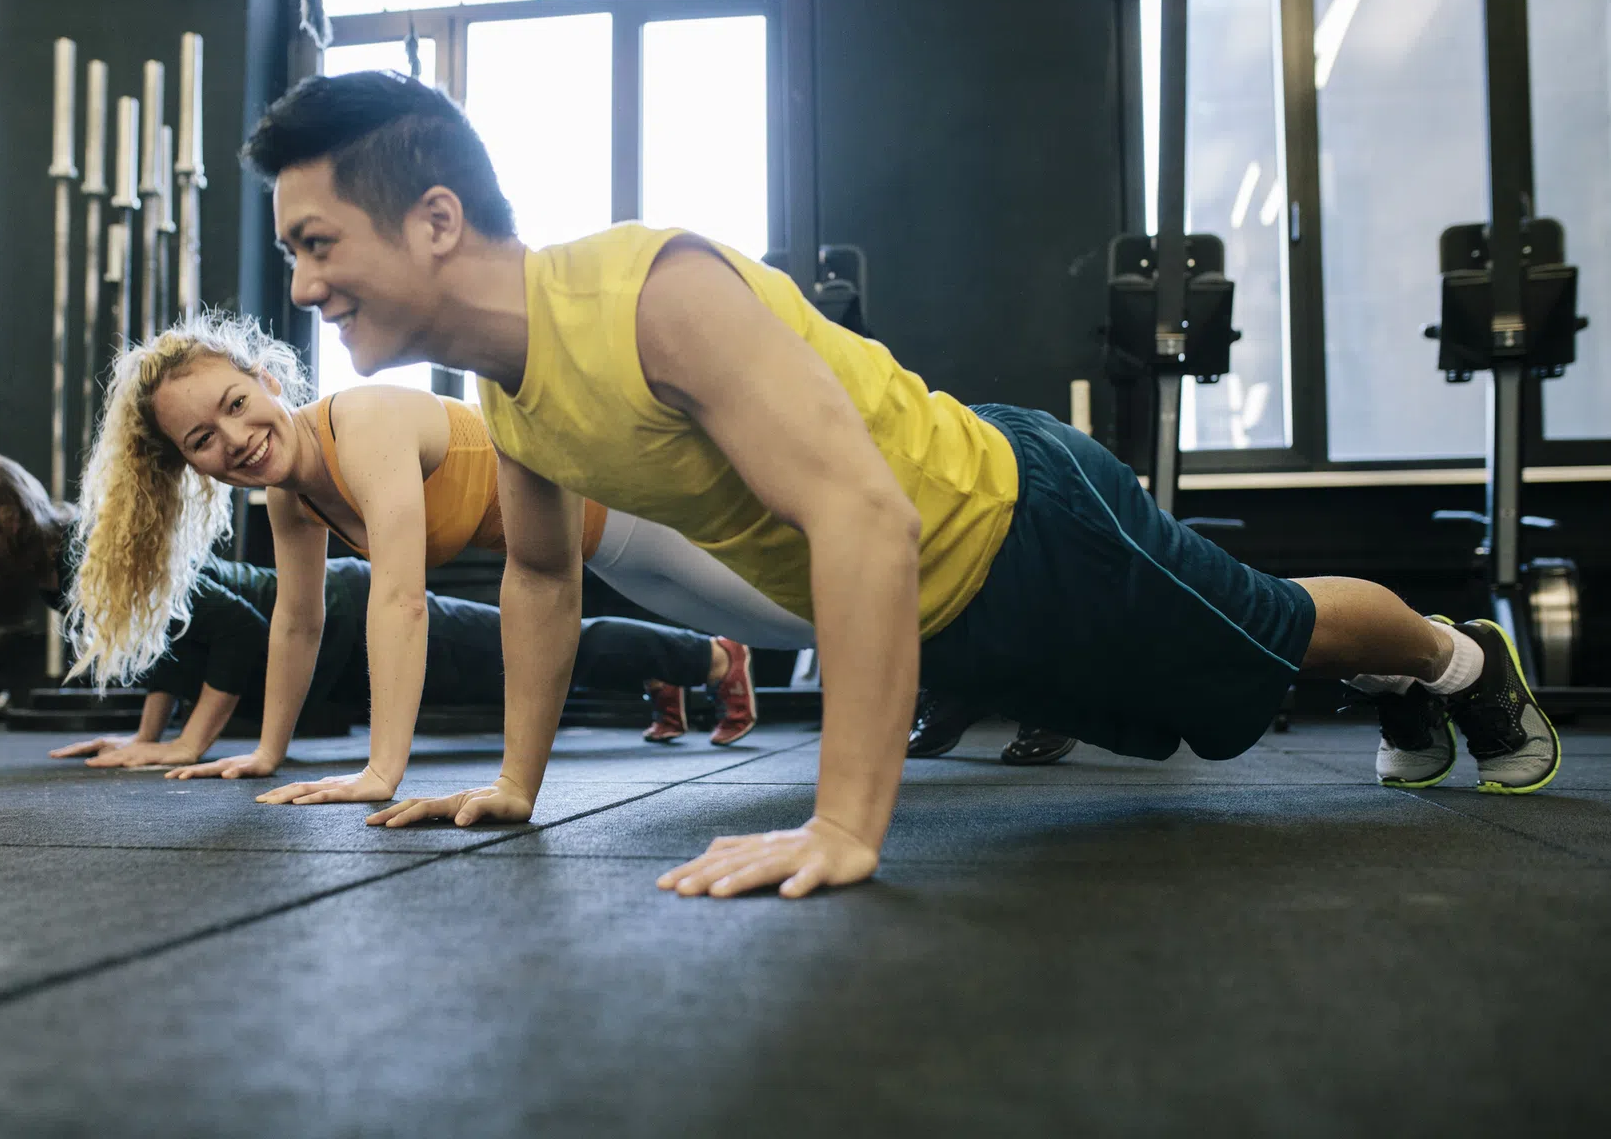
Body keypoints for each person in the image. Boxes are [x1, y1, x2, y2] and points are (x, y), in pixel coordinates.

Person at [234, 69, 1560, 900]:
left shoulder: (651, 295)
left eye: (315, 241)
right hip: (949, 615)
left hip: (1033, 527)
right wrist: (518, 786)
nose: (299, 283)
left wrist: (844, 826)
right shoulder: (507, 392)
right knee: (1218, 710)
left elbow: (860, 512)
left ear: (434, 220)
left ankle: (1456, 662)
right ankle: (1416, 677)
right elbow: (536, 575)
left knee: (1279, 637)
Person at [69, 316, 806, 804]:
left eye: (234, 403)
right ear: (191, 466)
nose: (233, 438)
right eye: (201, 440)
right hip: (597, 552)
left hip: (636, 505)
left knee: (814, 614)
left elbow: (400, 599)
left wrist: (383, 771)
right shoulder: (292, 500)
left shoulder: (360, 424)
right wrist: (267, 752)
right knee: (791, 627)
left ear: (266, 379)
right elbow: (297, 623)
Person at [0, 453, 754, 763]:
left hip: (346, 622)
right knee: (518, 675)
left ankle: (715, 658)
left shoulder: (88, 555)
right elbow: (170, 642)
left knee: (531, 658)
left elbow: (235, 629)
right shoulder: (68, 570)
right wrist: (146, 737)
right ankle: (667, 670)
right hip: (334, 655)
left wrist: (189, 747)